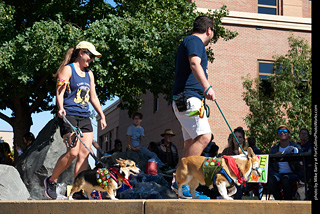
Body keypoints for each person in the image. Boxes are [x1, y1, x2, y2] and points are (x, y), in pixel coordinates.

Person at [44, 41, 107, 199]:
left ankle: (78, 189)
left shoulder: (89, 74)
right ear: (81, 53)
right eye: (90, 55)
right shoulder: (68, 69)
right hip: (69, 114)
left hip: (85, 116)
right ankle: (51, 181)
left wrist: (102, 115)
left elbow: (93, 96)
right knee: (72, 152)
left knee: (84, 153)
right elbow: (60, 90)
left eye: (93, 57)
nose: (91, 59)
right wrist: (60, 107)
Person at [171, 16, 215, 200]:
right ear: (209, 31)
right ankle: (179, 182)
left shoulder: (190, 41)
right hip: (189, 98)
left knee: (190, 142)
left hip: (187, 99)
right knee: (205, 137)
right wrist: (207, 87)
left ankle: (184, 187)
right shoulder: (195, 40)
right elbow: (194, 63)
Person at [268, 125, 303, 200]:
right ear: (277, 135)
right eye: (279, 132)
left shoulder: (296, 147)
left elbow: (300, 164)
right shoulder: (274, 149)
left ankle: (288, 200)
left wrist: (290, 156)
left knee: (285, 178)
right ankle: (279, 200)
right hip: (278, 173)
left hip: (293, 173)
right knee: (271, 179)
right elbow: (269, 165)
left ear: (289, 134)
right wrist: (276, 156)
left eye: (285, 131)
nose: (282, 133)